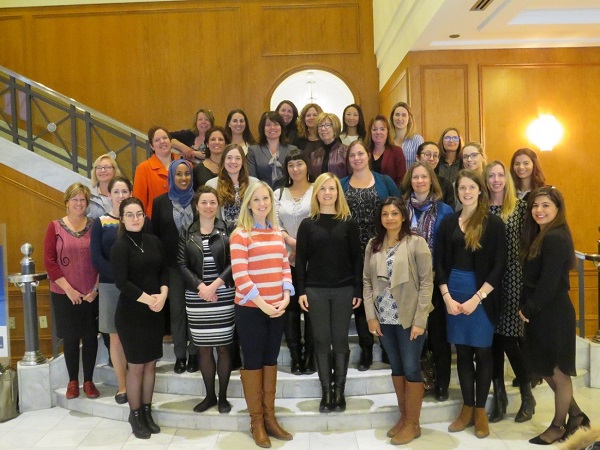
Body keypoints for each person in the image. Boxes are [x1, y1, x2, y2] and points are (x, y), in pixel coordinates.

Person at [435, 169, 507, 439]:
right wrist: (447, 298)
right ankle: (466, 407)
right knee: (463, 354)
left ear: (480, 190)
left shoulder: (493, 224)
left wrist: (478, 298)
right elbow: (439, 262)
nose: (466, 192)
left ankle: (480, 411)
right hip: (453, 295)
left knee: (483, 353)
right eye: (462, 188)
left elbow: (499, 265)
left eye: (471, 187)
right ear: (457, 192)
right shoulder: (448, 222)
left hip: (482, 297)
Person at [519, 187, 590, 445]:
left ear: (557, 209)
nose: (539, 210)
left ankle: (558, 426)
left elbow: (549, 283)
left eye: (546, 205)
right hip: (542, 313)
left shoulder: (556, 237)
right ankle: (577, 415)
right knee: (546, 370)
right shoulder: (541, 235)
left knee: (558, 373)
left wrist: (528, 309)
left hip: (553, 313)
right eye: (535, 205)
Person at [363, 197, 433, 445]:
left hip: (409, 317)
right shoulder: (374, 244)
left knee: (411, 367)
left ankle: (413, 424)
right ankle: (404, 418)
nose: (390, 218)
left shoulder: (416, 243)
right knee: (397, 367)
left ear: (403, 215)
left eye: (394, 213)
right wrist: (371, 317)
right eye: (385, 214)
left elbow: (426, 283)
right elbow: (367, 283)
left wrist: (420, 320)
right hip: (384, 318)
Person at [230, 181, 293, 448]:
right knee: (254, 362)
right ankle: (256, 422)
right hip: (252, 310)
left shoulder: (278, 232)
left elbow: (284, 267)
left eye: (265, 198)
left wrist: (287, 295)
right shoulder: (240, 234)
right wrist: (264, 304)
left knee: (270, 360)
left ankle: (270, 417)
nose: (262, 203)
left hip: (277, 307)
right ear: (248, 203)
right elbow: (240, 276)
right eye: (256, 199)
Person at [296, 173, 362, 413]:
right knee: (322, 341)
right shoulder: (308, 223)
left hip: (344, 289)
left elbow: (357, 258)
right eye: (322, 189)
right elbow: (300, 259)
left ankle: (339, 391)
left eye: (331, 189)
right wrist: (301, 290)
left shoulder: (348, 222)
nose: (327, 193)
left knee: (340, 341)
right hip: (316, 290)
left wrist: (357, 289)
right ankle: (326, 392)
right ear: (316, 193)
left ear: (338, 192)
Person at [111, 197, 168, 439]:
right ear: (122, 219)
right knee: (136, 367)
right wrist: (150, 299)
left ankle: (147, 411)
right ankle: (134, 415)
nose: (136, 219)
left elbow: (164, 271)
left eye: (139, 214)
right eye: (130, 215)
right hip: (132, 314)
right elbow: (121, 282)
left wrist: (163, 295)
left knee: (151, 363)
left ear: (144, 217)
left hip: (155, 311)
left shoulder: (154, 241)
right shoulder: (120, 246)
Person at [340, 140, 400, 371]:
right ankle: (366, 348)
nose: (357, 158)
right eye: (352, 155)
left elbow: (398, 210)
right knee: (362, 300)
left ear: (368, 156)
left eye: (360, 154)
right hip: (352, 253)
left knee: (385, 296)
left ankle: (387, 346)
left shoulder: (384, 181)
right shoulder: (343, 184)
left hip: (382, 250)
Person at [483, 161, 535, 423]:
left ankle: (527, 396)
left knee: (509, 337)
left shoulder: (520, 208)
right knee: (492, 339)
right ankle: (499, 397)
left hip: (514, 276)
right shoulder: (481, 209)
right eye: (491, 175)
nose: (495, 180)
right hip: (488, 279)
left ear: (507, 178)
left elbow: (531, 244)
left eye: (500, 175)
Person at [178, 185, 235, 414]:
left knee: (223, 348)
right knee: (203, 348)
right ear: (197, 205)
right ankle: (209, 395)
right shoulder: (186, 232)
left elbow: (234, 262)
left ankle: (223, 397)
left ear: (217, 205)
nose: (208, 206)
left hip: (222, 295)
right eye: (204, 202)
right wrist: (202, 287)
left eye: (212, 202)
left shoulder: (228, 229)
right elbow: (181, 265)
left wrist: (214, 286)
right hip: (197, 296)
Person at [401, 162, 453, 400]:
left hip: (436, 280)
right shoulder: (401, 209)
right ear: (409, 181)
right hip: (408, 282)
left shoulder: (445, 211)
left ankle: (442, 384)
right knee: (416, 335)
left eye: (424, 177)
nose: (419, 181)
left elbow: (450, 248)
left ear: (431, 180)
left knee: (438, 335)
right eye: (415, 177)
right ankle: (421, 381)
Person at [44, 183, 99, 401]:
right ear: (67, 202)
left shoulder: (95, 226)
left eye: (82, 200)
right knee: (70, 337)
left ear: (87, 203)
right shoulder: (54, 227)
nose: (78, 203)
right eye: (74, 199)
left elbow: (101, 259)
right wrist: (69, 290)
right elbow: (49, 262)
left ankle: (89, 380)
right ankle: (73, 381)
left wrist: (95, 288)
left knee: (90, 337)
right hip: (63, 293)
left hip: (90, 293)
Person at [91, 176, 136, 405]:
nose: (120, 196)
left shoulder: (138, 220)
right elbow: (97, 257)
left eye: (124, 191)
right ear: (109, 195)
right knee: (116, 337)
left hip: (137, 288)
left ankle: (137, 382)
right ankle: (122, 386)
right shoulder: (100, 223)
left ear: (130, 193)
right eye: (116, 192)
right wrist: (119, 278)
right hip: (110, 287)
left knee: (135, 335)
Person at [152, 159, 198, 374]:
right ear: (171, 176)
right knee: (178, 311)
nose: (183, 178)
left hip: (197, 267)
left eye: (187, 174)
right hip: (172, 266)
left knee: (196, 311)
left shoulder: (199, 199)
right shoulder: (161, 202)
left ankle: (195, 354)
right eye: (178, 174)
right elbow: (156, 237)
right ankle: (180, 355)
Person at [274, 149, 315, 375]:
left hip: (314, 260)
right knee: (289, 308)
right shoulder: (278, 193)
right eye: (291, 165)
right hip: (285, 258)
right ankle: (295, 355)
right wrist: (290, 242)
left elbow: (322, 219)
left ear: (307, 165)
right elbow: (273, 221)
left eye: (300, 164)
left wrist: (304, 249)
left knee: (310, 308)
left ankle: (310, 355)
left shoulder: (318, 190)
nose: (296, 168)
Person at [205, 143, 258, 229]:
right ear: (223, 161)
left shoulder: (254, 184)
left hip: (248, 233)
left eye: (237, 158)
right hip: (222, 235)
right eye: (229, 158)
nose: (233, 161)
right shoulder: (211, 185)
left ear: (243, 162)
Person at [133, 126, 179, 218]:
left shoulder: (186, 165)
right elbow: (139, 203)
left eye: (165, 138)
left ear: (170, 141)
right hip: (155, 224)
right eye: (157, 140)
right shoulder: (143, 169)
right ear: (152, 146)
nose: (162, 141)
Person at [247, 111, 298, 188]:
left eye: (276, 124)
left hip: (288, 195)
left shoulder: (292, 149)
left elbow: (297, 177)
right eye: (268, 125)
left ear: (281, 127)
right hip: (262, 195)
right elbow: (252, 179)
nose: (272, 127)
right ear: (263, 128)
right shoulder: (253, 151)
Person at [367, 115, 406, 186]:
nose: (378, 132)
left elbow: (402, 180)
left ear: (387, 132)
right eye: (374, 129)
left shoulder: (396, 151)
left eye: (382, 129)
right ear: (370, 132)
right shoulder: (365, 152)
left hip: (390, 195)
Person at [307, 112, 349, 180]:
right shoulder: (314, 155)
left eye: (327, 125)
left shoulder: (346, 151)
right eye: (320, 126)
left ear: (335, 127)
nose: (323, 129)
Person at [416, 141, 455, 209]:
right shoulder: (408, 182)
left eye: (435, 155)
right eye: (427, 154)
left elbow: (450, 213)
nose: (431, 159)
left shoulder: (446, 184)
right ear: (417, 158)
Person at [390, 102, 424, 167]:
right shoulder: (387, 140)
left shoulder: (417, 140)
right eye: (397, 115)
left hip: (410, 177)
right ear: (392, 118)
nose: (400, 118)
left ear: (409, 119)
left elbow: (421, 165)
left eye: (404, 115)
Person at [88, 153, 121, 219]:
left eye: (107, 167)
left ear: (114, 170)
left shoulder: (122, 194)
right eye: (99, 167)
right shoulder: (88, 194)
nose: (102, 170)